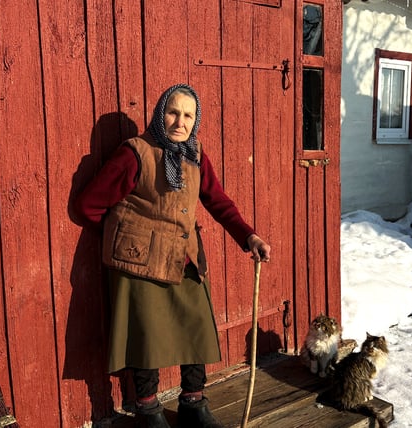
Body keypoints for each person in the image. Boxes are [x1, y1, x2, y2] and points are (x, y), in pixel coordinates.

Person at [74, 83, 271, 428]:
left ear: (196, 121)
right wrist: (128, 236)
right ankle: (148, 410)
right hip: (140, 263)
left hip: (184, 256)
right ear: (159, 113)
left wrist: (248, 236)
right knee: (146, 336)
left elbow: (217, 200)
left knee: (195, 327)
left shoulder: (195, 154)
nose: (181, 122)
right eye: (173, 112)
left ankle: (194, 404)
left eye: (188, 115)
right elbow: (88, 205)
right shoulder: (135, 153)